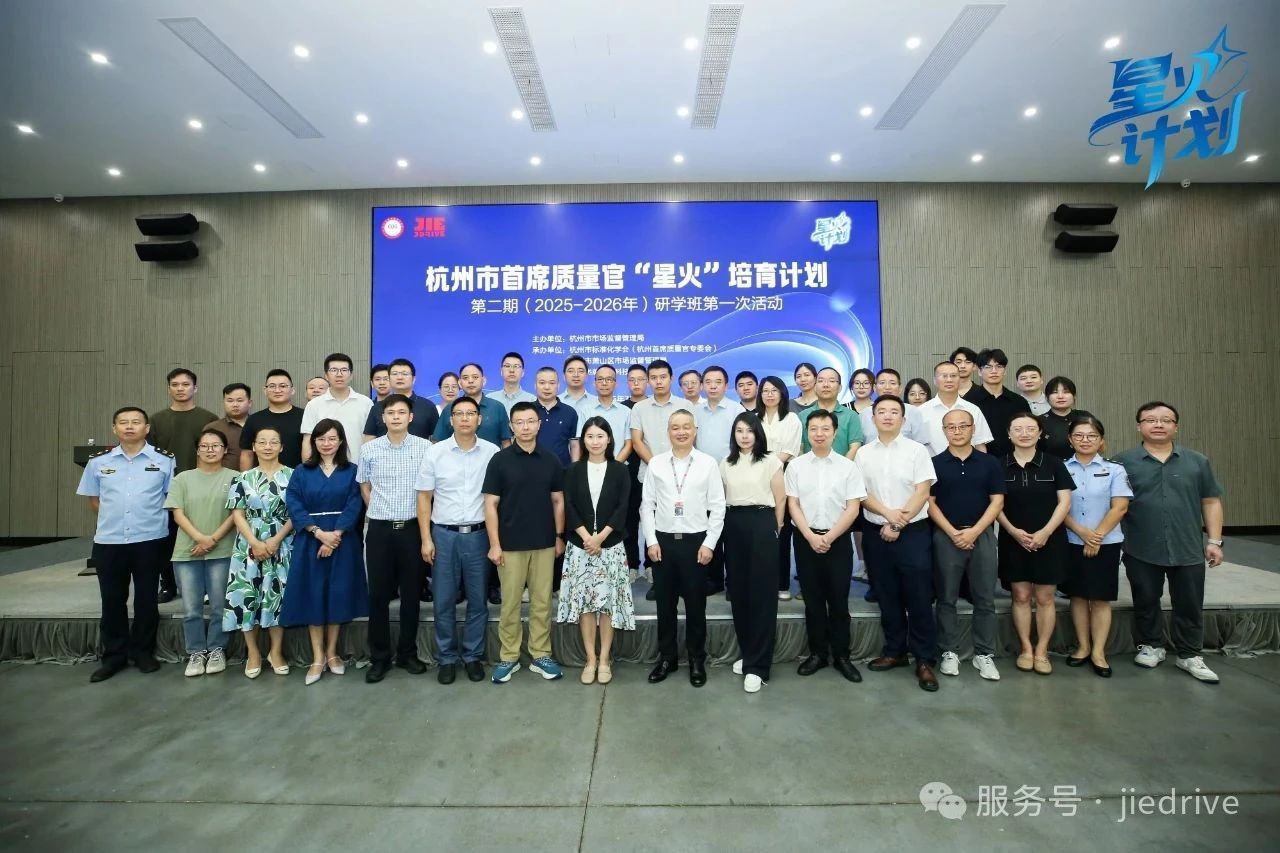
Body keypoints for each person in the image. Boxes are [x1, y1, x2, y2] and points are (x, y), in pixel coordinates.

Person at [1115, 402, 1225, 683]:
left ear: (1176, 426)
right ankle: (1151, 645)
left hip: (1186, 545)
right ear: (1139, 426)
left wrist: (1214, 541)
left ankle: (1189, 654)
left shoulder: (1197, 461)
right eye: (1151, 420)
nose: (1158, 424)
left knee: (1189, 602)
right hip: (1140, 545)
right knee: (1145, 598)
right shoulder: (1122, 462)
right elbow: (1114, 505)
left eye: (1166, 420)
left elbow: (1211, 501)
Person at [76, 406, 175, 682]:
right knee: (112, 600)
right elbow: (94, 500)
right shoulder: (98, 462)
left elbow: (169, 498)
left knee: (146, 599)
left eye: (135, 422)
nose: (129, 427)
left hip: (150, 539)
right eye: (123, 422)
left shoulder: (165, 460)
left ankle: (143, 652)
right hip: (110, 541)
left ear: (147, 428)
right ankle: (114, 656)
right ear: (114, 428)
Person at [857, 396, 939, 692]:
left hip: (913, 531)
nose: (888, 416)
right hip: (876, 531)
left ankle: (925, 659)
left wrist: (897, 523)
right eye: (881, 412)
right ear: (873, 419)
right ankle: (895, 651)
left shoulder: (917, 451)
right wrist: (888, 516)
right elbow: (861, 493)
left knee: (918, 595)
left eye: (894, 412)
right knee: (886, 593)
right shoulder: (863, 454)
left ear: (903, 420)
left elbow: (922, 491)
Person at [417, 396, 500, 684]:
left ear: (479, 419)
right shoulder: (435, 453)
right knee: (443, 600)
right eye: (459, 414)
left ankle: (473, 656)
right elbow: (424, 498)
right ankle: (447, 658)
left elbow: (496, 499)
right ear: (451, 420)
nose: (465, 418)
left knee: (478, 600)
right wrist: (426, 539)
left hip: (478, 536)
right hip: (444, 535)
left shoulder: (491, 452)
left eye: (470, 413)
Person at [483, 401, 566, 683]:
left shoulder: (551, 459)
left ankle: (541, 655)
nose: (526, 427)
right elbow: (490, 505)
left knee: (542, 603)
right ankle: (509, 657)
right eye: (519, 422)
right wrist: (494, 544)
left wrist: (558, 536)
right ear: (511, 426)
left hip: (544, 543)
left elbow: (558, 501)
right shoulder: (500, 460)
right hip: (509, 545)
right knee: (510, 604)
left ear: (539, 424)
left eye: (531, 421)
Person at [642, 410, 725, 687]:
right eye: (675, 427)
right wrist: (651, 540)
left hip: (696, 543)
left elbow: (718, 507)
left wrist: (709, 544)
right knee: (664, 605)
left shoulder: (708, 464)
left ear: (695, 430)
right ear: (668, 432)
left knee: (695, 606)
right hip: (663, 543)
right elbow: (647, 505)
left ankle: (697, 659)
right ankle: (667, 658)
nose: (681, 432)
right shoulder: (656, 463)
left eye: (686, 427)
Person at [282, 420, 366, 685]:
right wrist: (319, 533)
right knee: (314, 595)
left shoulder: (352, 471)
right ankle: (317, 656)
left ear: (341, 441)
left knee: (337, 595)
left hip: (343, 540)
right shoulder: (301, 471)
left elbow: (355, 503)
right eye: (321, 439)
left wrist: (335, 536)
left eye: (332, 438)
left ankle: (332, 653)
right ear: (314, 442)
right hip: (310, 540)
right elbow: (294, 503)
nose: (326, 443)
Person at [786, 408, 866, 682]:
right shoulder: (796, 466)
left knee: (839, 600)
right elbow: (793, 504)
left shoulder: (848, 467)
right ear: (807, 433)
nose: (819, 434)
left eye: (825, 429)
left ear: (835, 433)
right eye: (814, 429)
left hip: (838, 540)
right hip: (806, 539)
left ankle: (842, 656)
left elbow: (853, 508)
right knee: (813, 600)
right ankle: (818, 654)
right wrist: (810, 536)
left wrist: (829, 537)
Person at [357, 395, 433, 682]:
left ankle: (407, 653)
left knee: (411, 594)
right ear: (383, 418)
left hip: (413, 529)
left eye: (402, 412)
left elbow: (430, 491)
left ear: (411, 417)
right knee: (378, 595)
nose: (397, 417)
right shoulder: (369, 449)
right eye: (391, 413)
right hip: (379, 530)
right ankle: (379, 657)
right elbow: (364, 485)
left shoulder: (426, 448)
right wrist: (378, 509)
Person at [927, 409, 1006, 682]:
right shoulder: (934, 463)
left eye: (963, 426)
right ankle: (949, 651)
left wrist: (974, 532)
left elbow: (997, 501)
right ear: (944, 431)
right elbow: (930, 503)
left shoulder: (990, 463)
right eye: (951, 427)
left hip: (982, 535)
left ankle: (984, 653)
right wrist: (952, 532)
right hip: (945, 536)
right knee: (946, 597)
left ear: (973, 429)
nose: (957, 431)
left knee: (984, 598)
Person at [996, 413, 1074, 675]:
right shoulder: (999, 464)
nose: (1024, 434)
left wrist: (1046, 532)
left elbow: (1065, 502)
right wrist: (1012, 531)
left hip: (1049, 539)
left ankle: (1042, 651)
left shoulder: (1054, 463)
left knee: (1045, 597)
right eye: (1018, 429)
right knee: (1020, 596)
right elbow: (995, 504)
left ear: (1040, 433)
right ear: (1009, 434)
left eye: (1030, 429)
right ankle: (1026, 648)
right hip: (1012, 539)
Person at [558, 417, 634, 684]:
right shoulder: (573, 470)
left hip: (609, 547)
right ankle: (590, 659)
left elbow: (623, 507)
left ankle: (604, 659)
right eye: (590, 436)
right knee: (586, 606)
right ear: (583, 440)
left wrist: (600, 538)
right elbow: (569, 506)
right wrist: (586, 537)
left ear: (609, 439)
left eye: (600, 436)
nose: (595, 441)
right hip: (580, 548)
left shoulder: (620, 470)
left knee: (607, 605)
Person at [1061, 414, 1132, 678]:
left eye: (1092, 436)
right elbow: (1058, 507)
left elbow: (1120, 507)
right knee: (1078, 596)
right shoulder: (1061, 468)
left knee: (1101, 598)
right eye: (1078, 435)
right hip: (1070, 540)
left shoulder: (1115, 469)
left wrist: (1096, 536)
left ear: (1101, 440)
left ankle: (1099, 652)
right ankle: (1083, 646)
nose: (1085, 440)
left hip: (1107, 543)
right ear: (1070, 440)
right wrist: (1081, 532)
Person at [223, 426, 294, 679]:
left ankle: (276, 651)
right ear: (253, 446)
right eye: (262, 442)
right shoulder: (242, 478)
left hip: (282, 542)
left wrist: (275, 540)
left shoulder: (294, 476)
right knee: (247, 596)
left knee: (277, 597)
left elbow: (297, 513)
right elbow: (237, 514)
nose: (267, 446)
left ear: (281, 447)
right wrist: (254, 542)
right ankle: (252, 652)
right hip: (248, 546)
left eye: (273, 442)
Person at [166, 428, 237, 677]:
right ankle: (196, 652)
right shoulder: (182, 479)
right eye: (204, 446)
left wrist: (212, 539)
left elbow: (236, 514)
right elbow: (177, 513)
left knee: (219, 606)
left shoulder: (235, 478)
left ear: (225, 450)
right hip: (187, 552)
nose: (210, 450)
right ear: (197, 450)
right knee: (191, 608)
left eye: (215, 445)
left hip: (223, 550)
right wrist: (200, 538)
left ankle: (217, 649)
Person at [722, 413, 785, 693]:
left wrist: (775, 529)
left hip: (762, 522)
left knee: (762, 595)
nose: (744, 436)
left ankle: (758, 667)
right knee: (739, 592)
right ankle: (749, 653)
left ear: (758, 433)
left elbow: (780, 499)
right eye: (739, 431)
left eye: (750, 430)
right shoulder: (726, 463)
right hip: (734, 523)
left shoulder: (770, 461)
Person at [150, 368, 217, 602]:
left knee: (202, 535)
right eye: (175, 385)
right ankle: (168, 585)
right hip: (166, 489)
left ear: (195, 388)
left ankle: (205, 587)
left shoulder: (208, 419)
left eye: (186, 384)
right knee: (166, 539)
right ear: (168, 389)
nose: (180, 389)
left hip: (201, 488)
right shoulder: (156, 420)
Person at [628, 359, 693, 600]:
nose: (658, 381)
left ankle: (683, 578)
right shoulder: (639, 408)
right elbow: (637, 441)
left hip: (683, 477)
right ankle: (660, 578)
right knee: (654, 529)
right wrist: (658, 466)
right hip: (650, 476)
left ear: (671, 378)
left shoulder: (685, 405)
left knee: (680, 527)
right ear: (648, 381)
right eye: (653, 378)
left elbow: (690, 436)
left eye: (663, 377)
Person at [756, 376, 802, 600]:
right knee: (761, 532)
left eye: (774, 390)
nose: (770, 394)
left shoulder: (792, 418)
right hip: (756, 479)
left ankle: (782, 584)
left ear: (782, 393)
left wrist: (767, 467)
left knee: (782, 531)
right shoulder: (754, 418)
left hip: (784, 475)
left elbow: (789, 450)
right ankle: (763, 583)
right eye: (765, 390)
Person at [301, 353, 374, 463]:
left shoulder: (366, 403)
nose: (339, 374)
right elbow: (308, 440)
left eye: (344, 370)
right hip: (323, 469)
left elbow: (371, 439)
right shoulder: (314, 405)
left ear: (351, 375)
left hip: (359, 468)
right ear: (326, 375)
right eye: (334, 370)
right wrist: (308, 468)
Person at [965, 349, 1032, 458]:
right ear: (979, 371)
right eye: (988, 367)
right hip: (979, 459)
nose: (994, 371)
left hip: (1015, 460)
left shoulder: (1019, 401)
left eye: (999, 366)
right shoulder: (968, 401)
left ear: (1005, 371)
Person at [918, 361, 993, 456]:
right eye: (944, 376)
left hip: (968, 464)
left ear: (959, 379)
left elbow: (980, 445)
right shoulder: (921, 411)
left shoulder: (973, 409)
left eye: (953, 376)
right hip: (932, 464)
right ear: (935, 380)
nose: (949, 380)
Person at [434, 363, 512, 448]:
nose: (470, 381)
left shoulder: (497, 407)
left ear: (484, 380)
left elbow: (506, 443)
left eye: (475, 377)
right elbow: (438, 443)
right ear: (459, 383)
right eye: (465, 378)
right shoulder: (449, 409)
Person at [362, 357, 439, 442]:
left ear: (413, 379)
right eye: (395, 374)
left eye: (404, 374)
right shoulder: (377, 407)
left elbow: (436, 440)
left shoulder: (428, 406)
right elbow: (368, 440)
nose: (399, 377)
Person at [240, 369, 305, 470]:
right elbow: (247, 454)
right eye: (272, 386)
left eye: (283, 386)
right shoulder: (254, 419)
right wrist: (245, 478)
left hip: (298, 477)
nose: (277, 390)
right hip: (262, 478)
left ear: (292, 390)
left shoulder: (305, 416)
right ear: (265, 390)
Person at [620, 363, 650, 573]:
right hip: (627, 472)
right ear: (627, 382)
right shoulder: (622, 408)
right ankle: (631, 565)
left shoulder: (653, 406)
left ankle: (651, 565)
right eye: (632, 380)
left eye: (640, 379)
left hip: (650, 470)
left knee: (652, 519)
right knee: (628, 520)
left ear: (647, 381)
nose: (636, 383)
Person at [798, 367, 863, 457]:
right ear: (815, 387)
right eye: (821, 381)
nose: (826, 385)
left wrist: (843, 466)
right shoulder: (803, 416)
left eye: (831, 381)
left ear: (840, 388)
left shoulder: (851, 416)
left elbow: (855, 448)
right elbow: (799, 448)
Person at [858, 369, 927, 446]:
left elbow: (921, 444)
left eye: (892, 383)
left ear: (900, 388)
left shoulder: (913, 412)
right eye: (882, 383)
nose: (887, 387)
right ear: (874, 388)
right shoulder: (864, 414)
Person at [533, 366, 580, 467]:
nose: (547, 387)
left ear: (558, 385)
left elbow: (574, 445)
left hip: (562, 471)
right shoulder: (527, 411)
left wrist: (575, 470)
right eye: (542, 383)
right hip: (530, 469)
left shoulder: (570, 412)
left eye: (552, 383)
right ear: (535, 385)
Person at [1037, 376, 1092, 460]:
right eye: (1055, 392)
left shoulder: (1085, 416)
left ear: (1074, 396)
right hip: (1051, 467)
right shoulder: (1039, 421)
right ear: (1047, 397)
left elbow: (1098, 443)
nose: (1060, 396)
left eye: (1066, 392)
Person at [204, 383, 251, 470]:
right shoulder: (213, 428)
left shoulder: (259, 425)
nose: (235, 404)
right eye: (230, 401)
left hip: (256, 477)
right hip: (221, 478)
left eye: (240, 400)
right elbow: (203, 459)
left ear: (249, 403)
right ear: (224, 403)